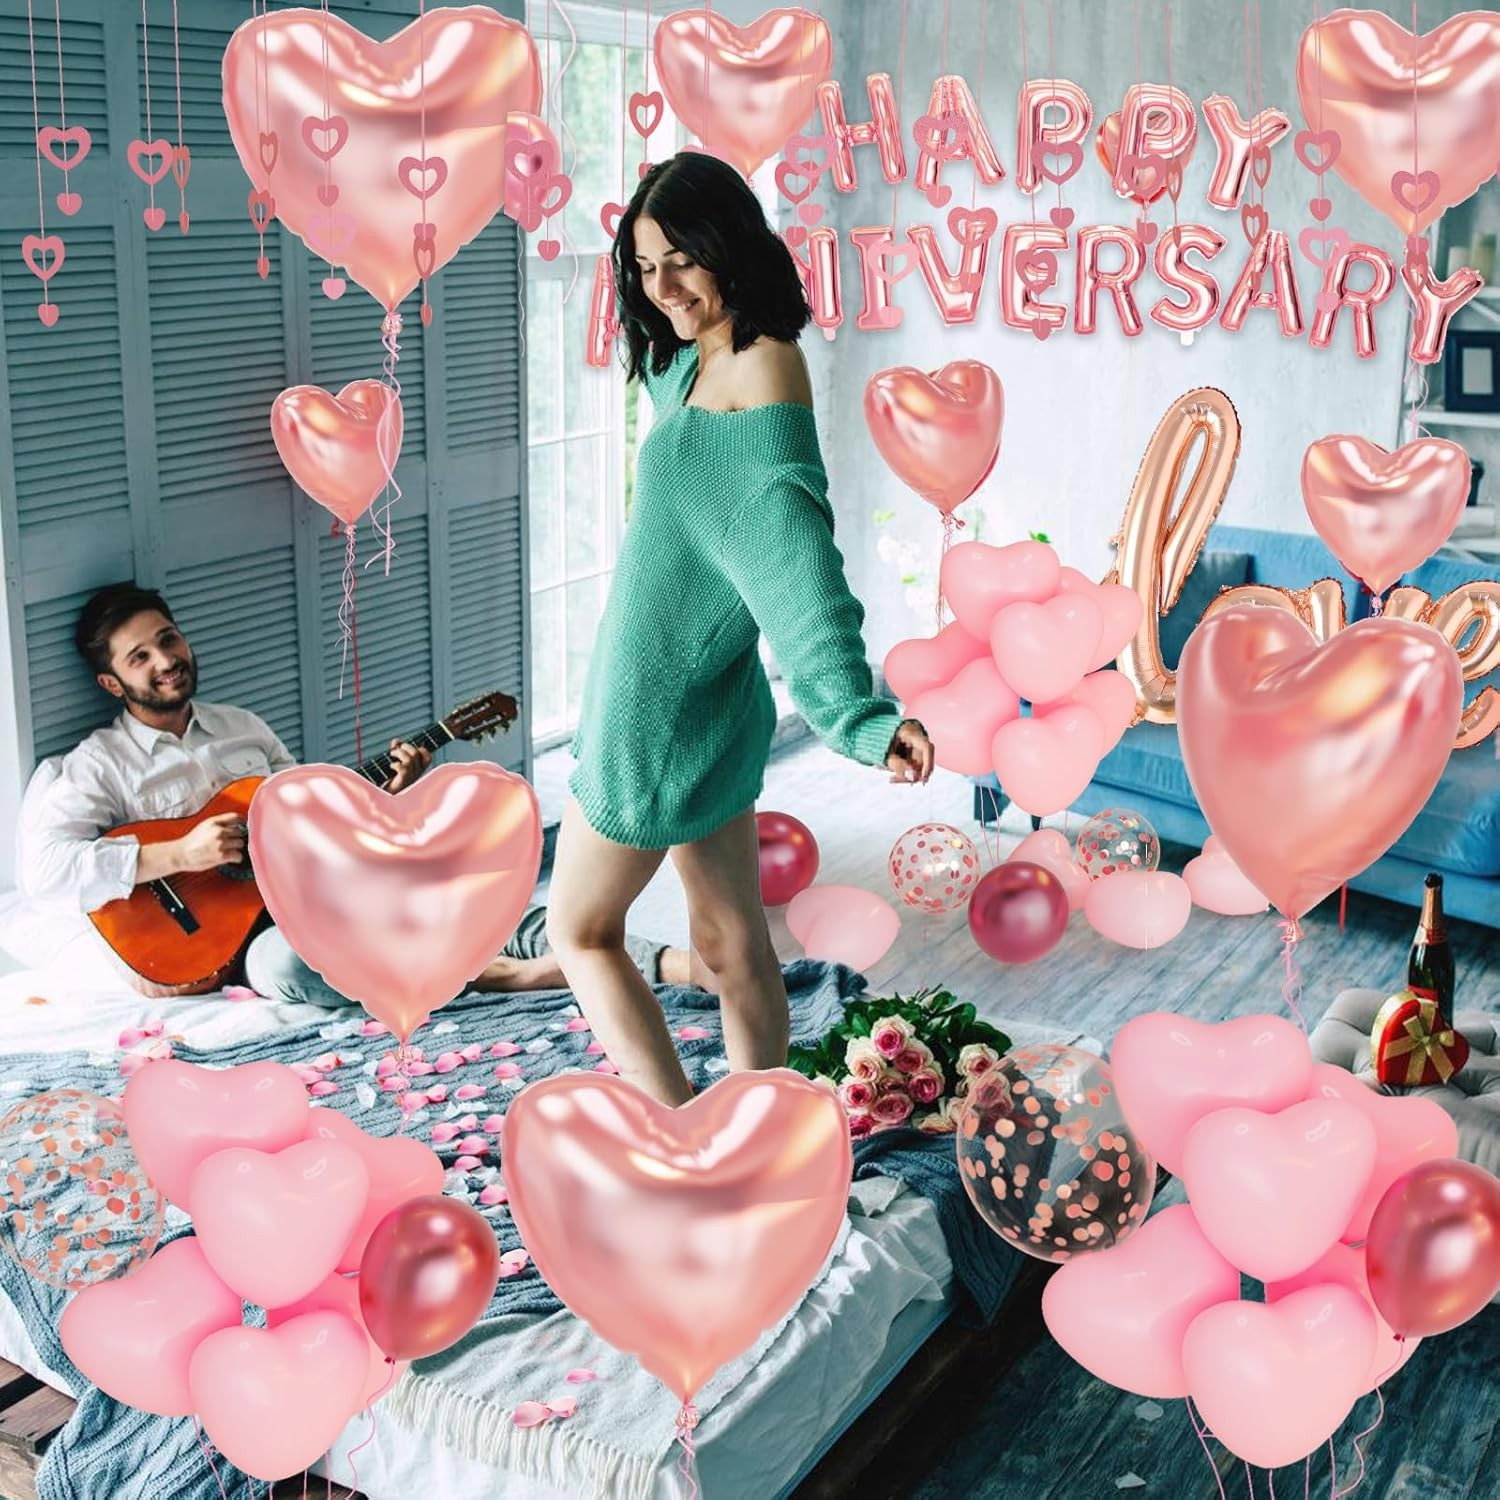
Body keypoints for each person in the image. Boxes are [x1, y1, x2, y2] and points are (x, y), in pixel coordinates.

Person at [547, 151, 935, 1109]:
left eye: (682, 260)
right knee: (729, 942)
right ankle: (764, 1125)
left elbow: (798, 569)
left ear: (731, 247)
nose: (661, 287)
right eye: (645, 266)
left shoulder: (757, 380)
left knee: (578, 931)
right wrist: (664, 296)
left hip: (654, 714)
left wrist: (859, 717)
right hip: (709, 694)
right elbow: (663, 357)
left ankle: (682, 1133)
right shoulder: (700, 356)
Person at [17, 583, 687, 998]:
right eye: (140, 657)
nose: (166, 660)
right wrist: (179, 855)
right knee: (292, 970)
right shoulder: (99, 766)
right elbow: (43, 871)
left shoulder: (242, 728)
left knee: (467, 903)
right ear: (112, 683)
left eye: (168, 639)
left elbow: (315, 825)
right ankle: (501, 977)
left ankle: (674, 964)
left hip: (320, 890)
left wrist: (385, 794)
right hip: (240, 938)